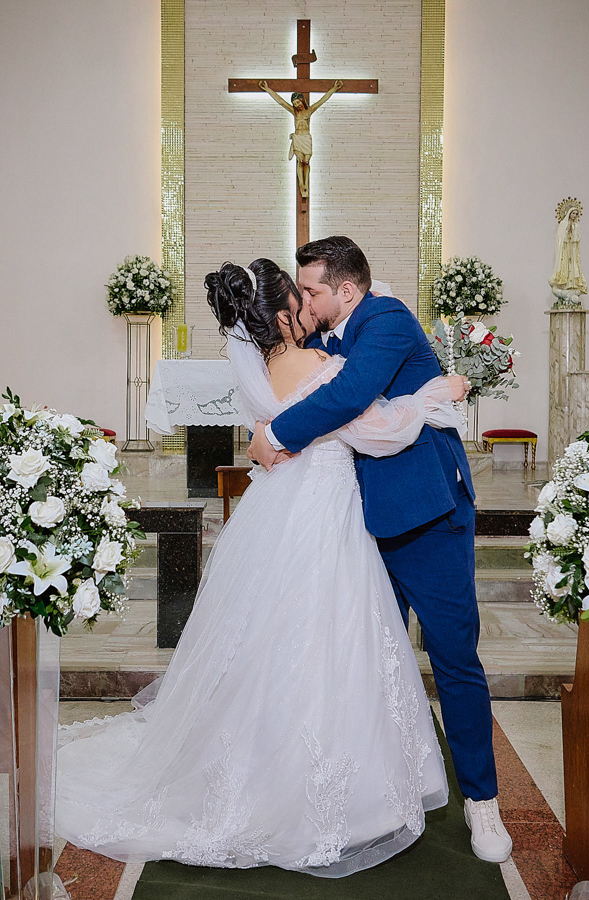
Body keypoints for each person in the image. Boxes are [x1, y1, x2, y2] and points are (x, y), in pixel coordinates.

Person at [55, 258, 468, 876]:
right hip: (327, 515)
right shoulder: (321, 366)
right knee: (329, 640)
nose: (311, 307)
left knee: (272, 641)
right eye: (302, 299)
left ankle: (253, 769)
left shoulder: (262, 372)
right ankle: (336, 794)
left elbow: (282, 428)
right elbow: (381, 430)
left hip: (280, 509)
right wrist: (442, 391)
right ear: (283, 316)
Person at [248, 237, 513, 864]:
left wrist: (275, 437)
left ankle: (483, 804)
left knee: (453, 659)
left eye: (311, 289)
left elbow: (347, 396)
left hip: (427, 514)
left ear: (346, 289)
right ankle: (383, 794)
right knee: (374, 667)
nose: (304, 300)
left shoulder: (387, 320)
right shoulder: (329, 340)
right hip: (361, 525)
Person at [258, 79, 343, 197]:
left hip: (306, 138)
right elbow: (281, 101)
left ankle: (306, 185)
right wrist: (268, 89)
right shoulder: (294, 112)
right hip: (298, 137)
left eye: (298, 102)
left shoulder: (309, 111)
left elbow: (322, 100)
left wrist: (334, 89)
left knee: (306, 162)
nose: (297, 105)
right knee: (300, 160)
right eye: (295, 103)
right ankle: (302, 184)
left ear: (302, 101)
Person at [549, 204, 587, 297]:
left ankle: (572, 285)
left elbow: (577, 238)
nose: (574, 215)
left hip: (573, 249)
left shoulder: (576, 225)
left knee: (574, 267)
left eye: (576, 214)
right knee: (565, 266)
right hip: (565, 249)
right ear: (569, 213)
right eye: (573, 213)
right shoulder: (563, 224)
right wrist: (567, 231)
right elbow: (559, 237)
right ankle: (565, 284)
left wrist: (573, 232)